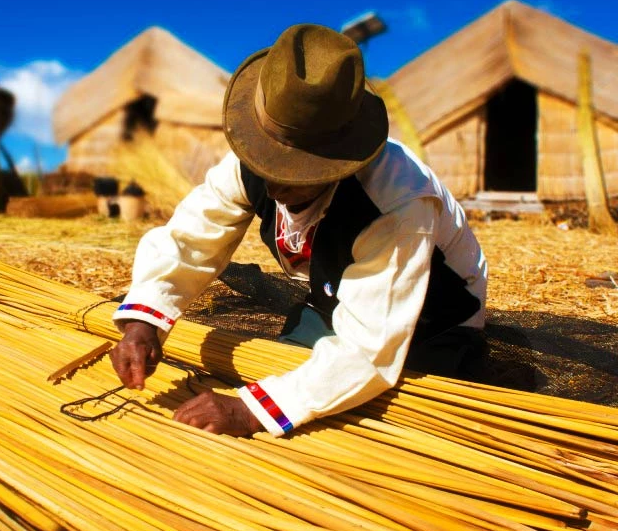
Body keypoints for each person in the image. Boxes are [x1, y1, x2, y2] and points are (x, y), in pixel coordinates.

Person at [108, 24, 488, 437]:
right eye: (267, 161)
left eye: (293, 171)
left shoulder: (396, 203)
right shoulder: (248, 164)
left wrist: (247, 412)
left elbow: (370, 350)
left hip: (431, 319)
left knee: (368, 427)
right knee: (287, 369)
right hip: (335, 298)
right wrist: (145, 321)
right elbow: (190, 240)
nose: (273, 184)